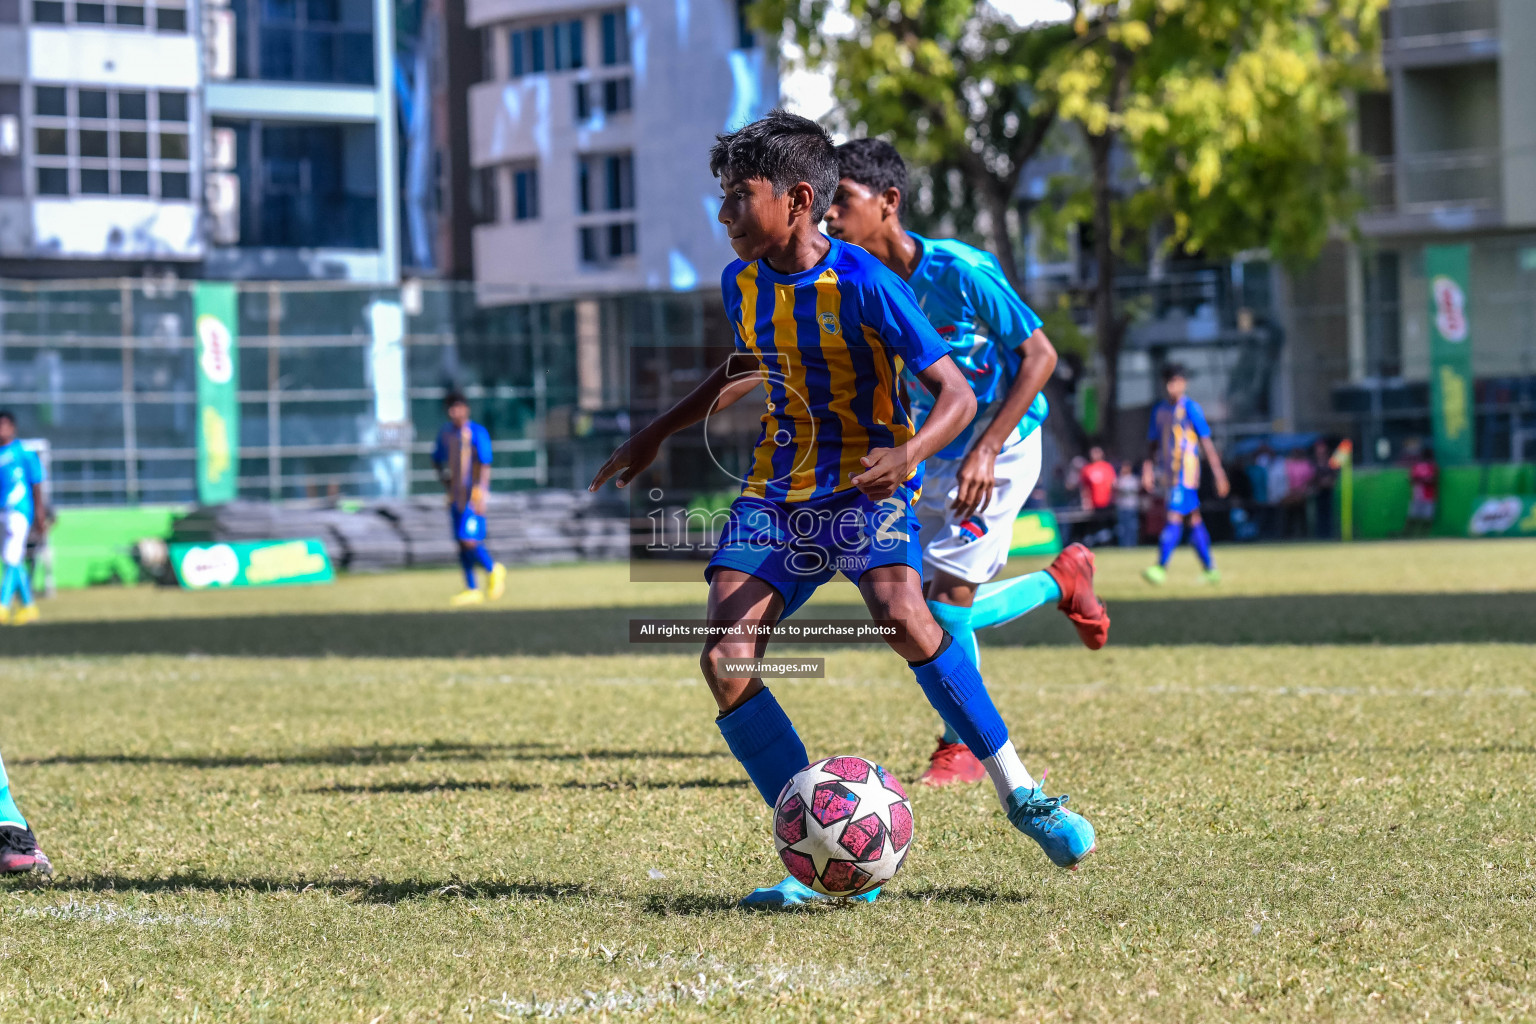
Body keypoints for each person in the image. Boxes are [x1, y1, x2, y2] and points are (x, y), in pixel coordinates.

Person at [589, 111, 1095, 909]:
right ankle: (832, 854)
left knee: (906, 616)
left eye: (737, 197)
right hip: (777, 493)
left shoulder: (867, 283)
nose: (723, 214)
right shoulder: (741, 281)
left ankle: (1023, 795)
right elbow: (745, 362)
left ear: (796, 200)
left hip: (864, 484)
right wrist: (656, 429)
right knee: (726, 661)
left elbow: (957, 395)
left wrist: (909, 454)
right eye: (719, 197)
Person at [824, 137, 1108, 787]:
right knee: (905, 604)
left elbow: (1040, 356)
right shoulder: (861, 286)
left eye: (842, 200)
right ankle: (1061, 583)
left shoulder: (959, 271)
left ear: (888, 202)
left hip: (1000, 448)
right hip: (933, 454)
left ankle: (961, 748)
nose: (829, 218)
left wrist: (983, 448)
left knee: (945, 606)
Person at [1141, 366, 1229, 584]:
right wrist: (1148, 469)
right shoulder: (1160, 411)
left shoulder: (1191, 408)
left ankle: (1160, 567)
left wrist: (1219, 473)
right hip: (1170, 476)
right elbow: (1152, 444)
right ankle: (1210, 569)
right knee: (1193, 519)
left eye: (1177, 381)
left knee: (1173, 516)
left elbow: (1206, 442)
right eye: (1169, 382)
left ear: (1184, 383)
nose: (1173, 387)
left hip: (1186, 475)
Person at [432, 392, 506, 606]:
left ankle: (493, 569)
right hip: (455, 497)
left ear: (465, 408)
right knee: (460, 543)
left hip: (472, 498)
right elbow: (436, 459)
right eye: (449, 407)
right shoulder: (446, 433)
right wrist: (445, 480)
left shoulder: (476, 432)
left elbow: (485, 464)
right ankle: (471, 588)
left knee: (469, 539)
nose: (452, 411)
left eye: (456, 406)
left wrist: (481, 493)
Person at [0, 411, 46, 626]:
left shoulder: (23, 452)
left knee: (11, 557)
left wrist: (40, 514)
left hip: (19, 511)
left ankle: (2, 605)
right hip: (2, 512)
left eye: (5, 424)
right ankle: (29, 607)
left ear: (13, 427)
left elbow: (37, 483)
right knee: (12, 559)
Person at [1408, 444, 1437, 536]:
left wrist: (1421, 480)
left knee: (1427, 517)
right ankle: (1410, 534)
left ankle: (1424, 534)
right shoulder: (1417, 466)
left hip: (1428, 495)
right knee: (1413, 516)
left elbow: (1433, 480)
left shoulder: (1432, 467)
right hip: (1418, 495)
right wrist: (1423, 480)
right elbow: (1412, 480)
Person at [1114, 460, 1141, 547]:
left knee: (1132, 527)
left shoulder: (1133, 479)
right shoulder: (1120, 479)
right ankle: (1123, 545)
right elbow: (1116, 486)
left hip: (1131, 507)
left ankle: (1132, 544)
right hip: (1122, 507)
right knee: (1122, 528)